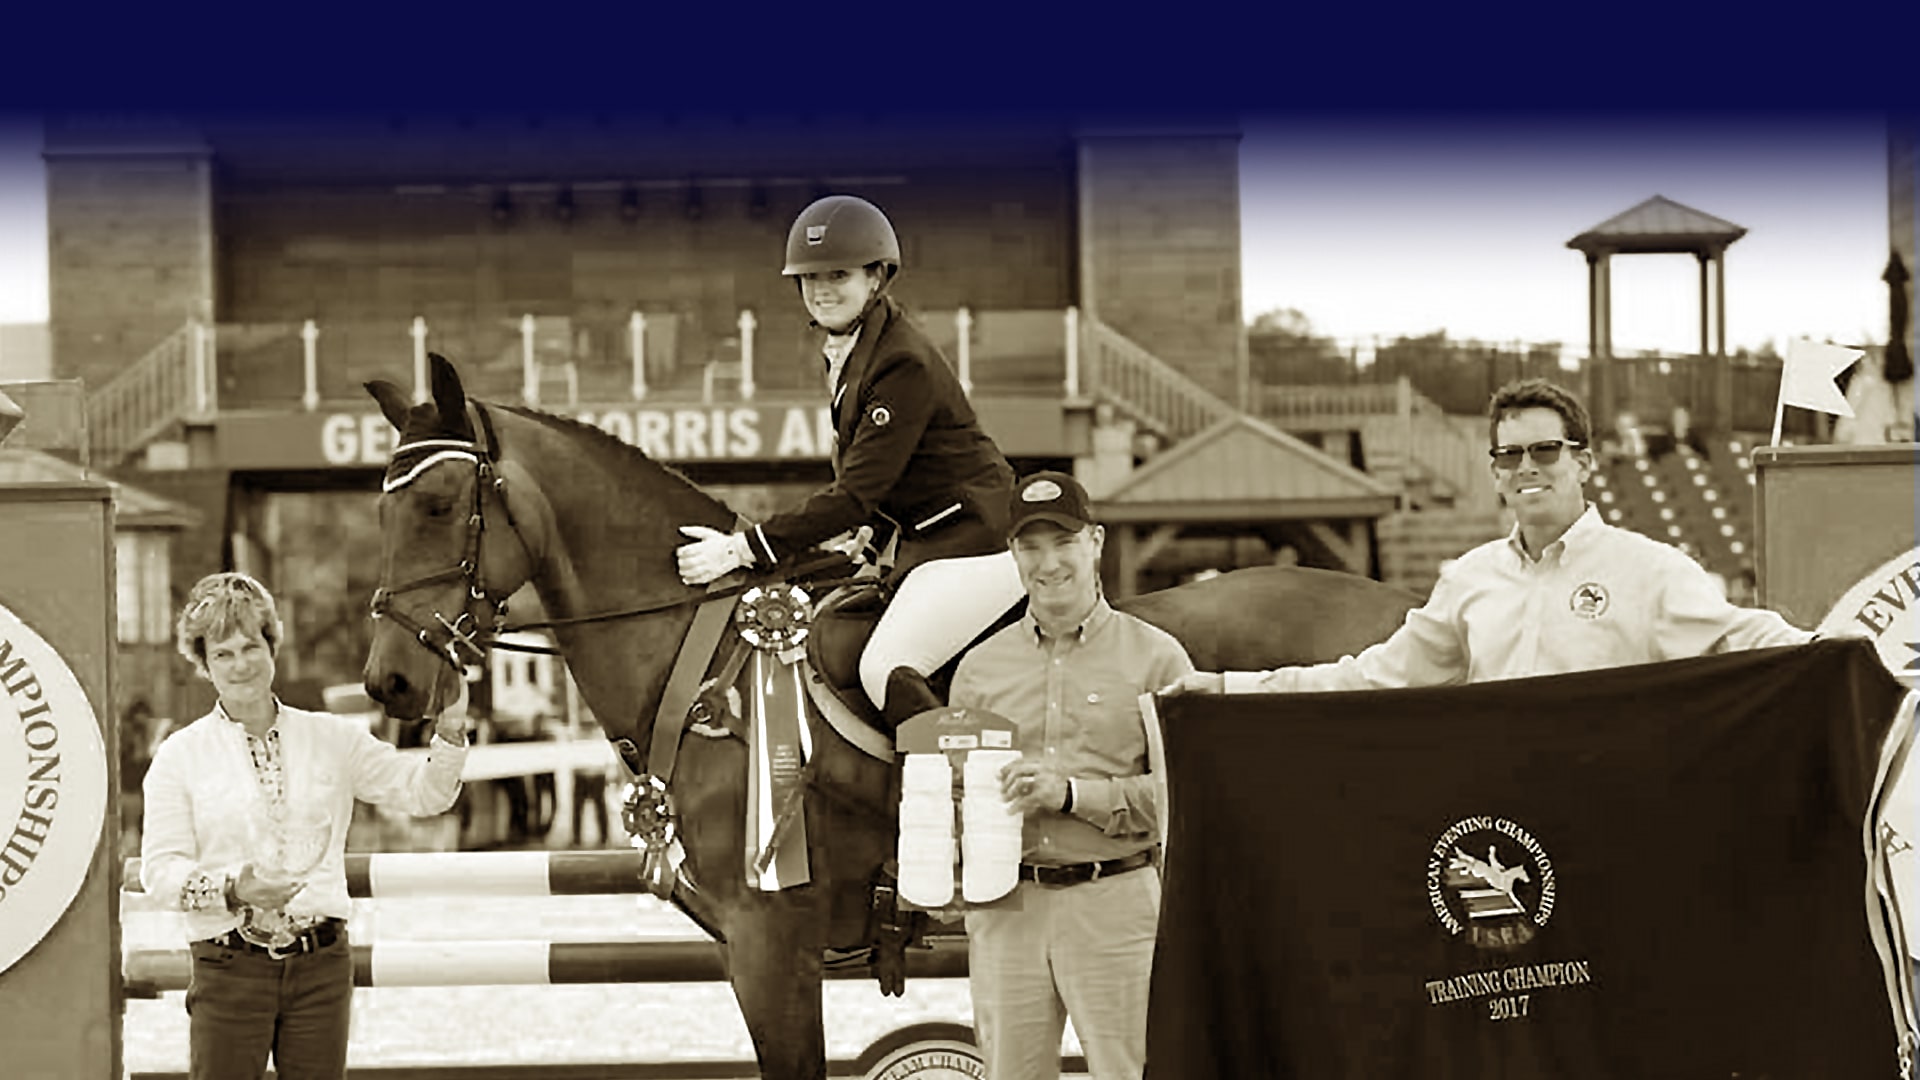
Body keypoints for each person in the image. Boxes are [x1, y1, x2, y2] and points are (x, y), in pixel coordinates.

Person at [1166, 378, 1816, 696]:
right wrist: (1229, 687)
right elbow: (1373, 676)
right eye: (1509, 455)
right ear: (1496, 472)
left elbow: (1741, 637)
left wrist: (1841, 648)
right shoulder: (1469, 580)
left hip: (1614, 816)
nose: (1527, 467)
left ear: (1584, 462)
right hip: (1503, 820)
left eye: (1545, 450)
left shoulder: (1652, 570)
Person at [673, 194, 1025, 727]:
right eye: (810, 278)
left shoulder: (901, 360)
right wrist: (870, 535)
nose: (821, 290)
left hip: (978, 543)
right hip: (929, 542)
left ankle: (952, 777)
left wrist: (742, 548)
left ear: (876, 277)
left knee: (885, 667)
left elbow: (856, 494)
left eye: (837, 275)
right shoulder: (855, 346)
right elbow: (888, 479)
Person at [140, 572, 471, 1080]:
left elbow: (424, 793)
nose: (241, 664)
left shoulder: (333, 738)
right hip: (227, 967)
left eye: (251, 647)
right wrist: (232, 889)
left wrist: (450, 728)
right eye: (223, 654)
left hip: (322, 968)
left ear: (272, 647)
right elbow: (160, 873)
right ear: (204, 664)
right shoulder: (177, 756)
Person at [947, 470, 1196, 1080]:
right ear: (1012, 554)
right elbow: (957, 793)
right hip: (1006, 910)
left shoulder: (1158, 658)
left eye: (1063, 542)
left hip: (1116, 902)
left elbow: (1188, 798)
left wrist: (1072, 794)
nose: (1048, 562)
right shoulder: (978, 670)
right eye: (1030, 546)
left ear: (1096, 542)